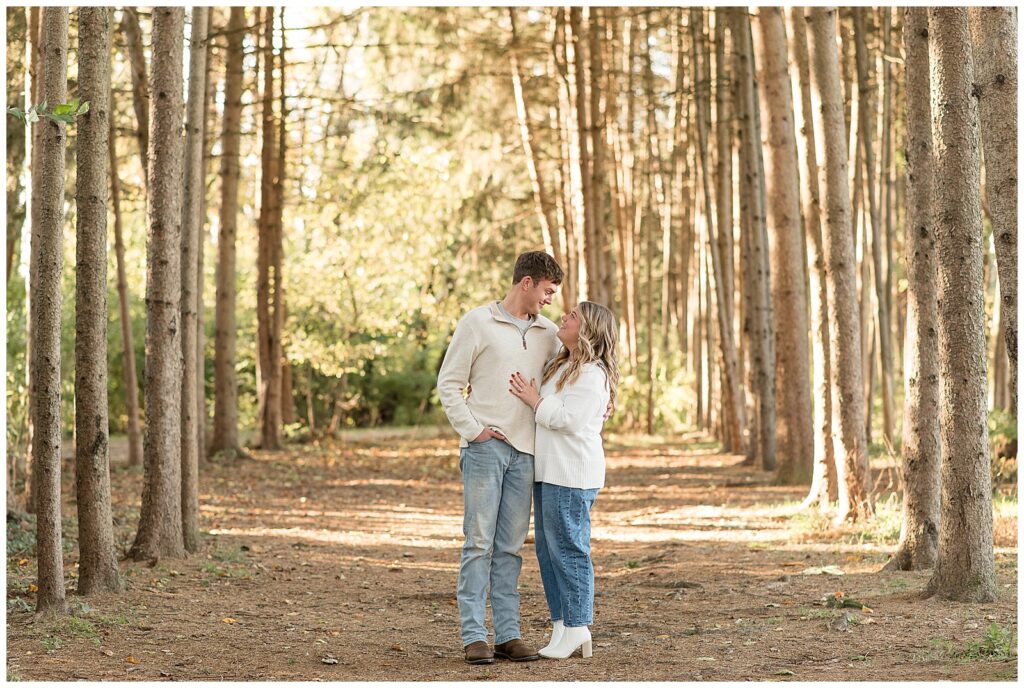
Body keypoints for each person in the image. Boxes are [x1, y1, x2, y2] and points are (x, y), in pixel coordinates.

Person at [436, 251, 563, 665]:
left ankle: (508, 634)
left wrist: (603, 398)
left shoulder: (548, 332)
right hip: (485, 449)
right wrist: (474, 431)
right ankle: (474, 635)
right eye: (547, 290)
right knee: (478, 543)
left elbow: (574, 370)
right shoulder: (477, 322)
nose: (550, 299)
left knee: (509, 548)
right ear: (526, 283)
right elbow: (449, 383)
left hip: (527, 452)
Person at [508, 301, 618, 660]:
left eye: (572, 317)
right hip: (550, 470)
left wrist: (535, 400)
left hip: (572, 474)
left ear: (586, 330)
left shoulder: (592, 373)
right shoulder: (565, 363)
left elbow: (569, 419)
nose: (563, 318)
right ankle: (561, 625)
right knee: (547, 551)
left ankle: (578, 625)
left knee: (569, 550)